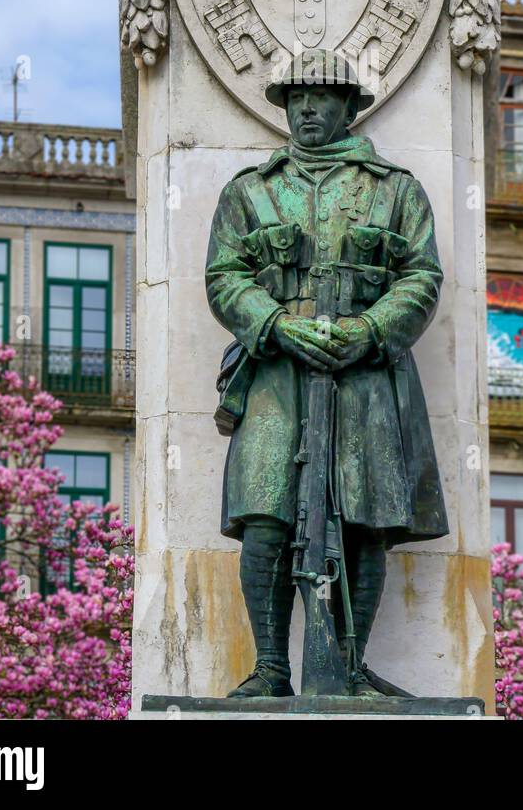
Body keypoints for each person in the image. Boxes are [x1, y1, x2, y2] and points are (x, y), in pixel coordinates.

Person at [205, 49, 448, 697]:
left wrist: (369, 330)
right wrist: (279, 326)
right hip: (275, 375)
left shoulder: (395, 191)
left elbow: (422, 277)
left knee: (366, 521)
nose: (307, 108)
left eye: (321, 96)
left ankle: (345, 664)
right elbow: (224, 278)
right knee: (264, 515)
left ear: (348, 105)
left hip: (365, 375)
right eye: (297, 97)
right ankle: (271, 669)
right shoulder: (249, 192)